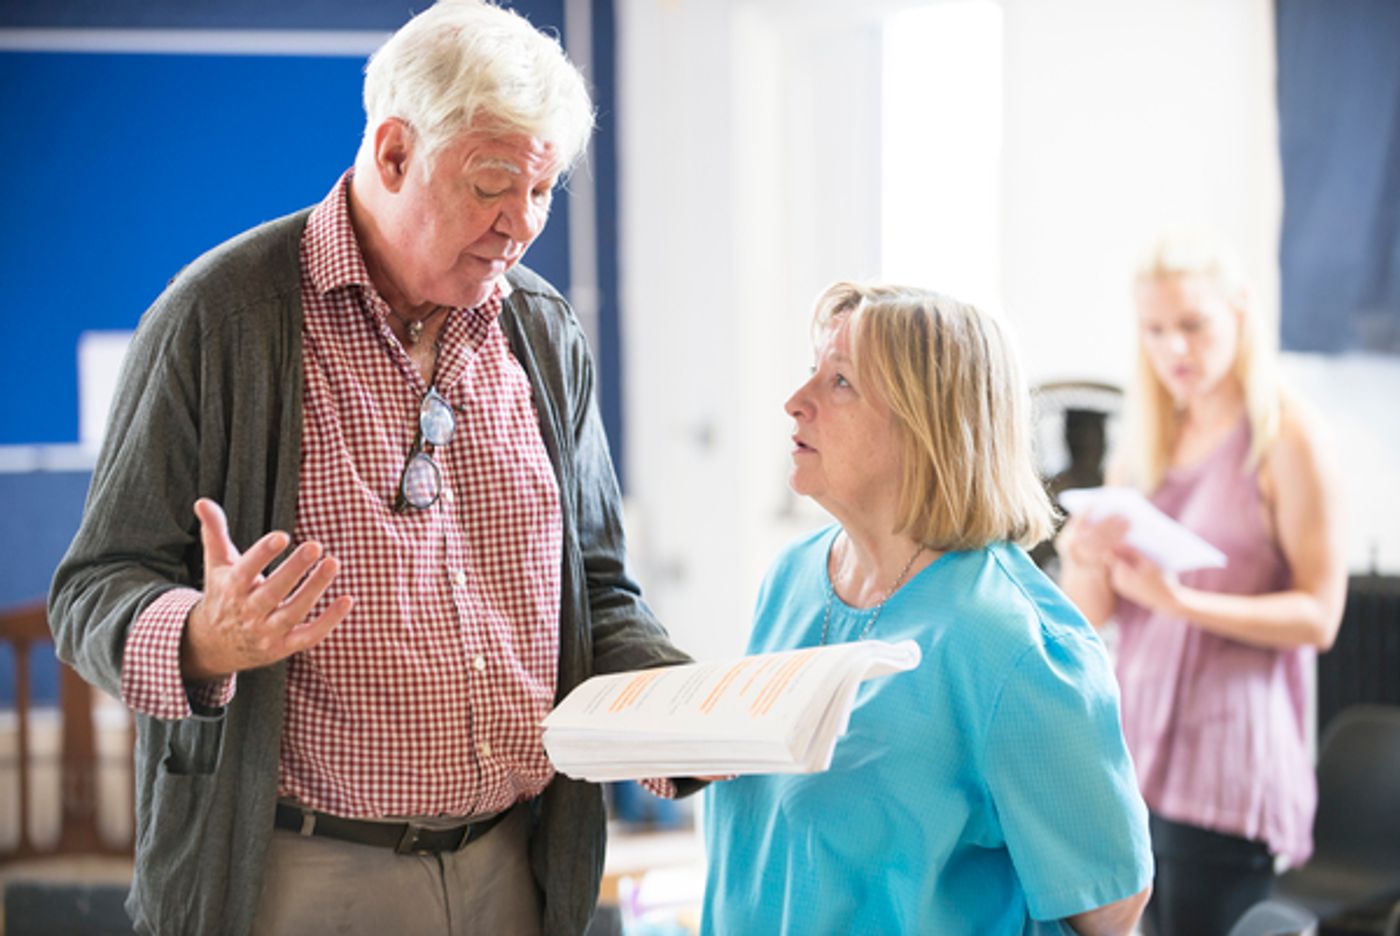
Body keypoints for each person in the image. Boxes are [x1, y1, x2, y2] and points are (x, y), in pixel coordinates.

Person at [47, 3, 698, 934]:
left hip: (520, 862)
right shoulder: (218, 322)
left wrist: (670, 704)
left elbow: (597, 588)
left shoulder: (544, 332)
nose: (522, 225)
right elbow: (91, 590)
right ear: (393, 154)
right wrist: (202, 636)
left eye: (544, 191)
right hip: (300, 875)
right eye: (492, 185)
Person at [702, 282, 1153, 935]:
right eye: (811, 373)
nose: (796, 404)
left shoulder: (1010, 641)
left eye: (840, 383)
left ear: (927, 423)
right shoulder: (793, 579)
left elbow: (1109, 910)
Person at [1057, 230, 1347, 936]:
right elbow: (1090, 617)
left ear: (1240, 314)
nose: (1174, 350)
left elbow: (1320, 616)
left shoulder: (1287, 440)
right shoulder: (1143, 448)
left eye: (1192, 324)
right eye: (1155, 330)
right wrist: (1083, 557)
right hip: (1135, 753)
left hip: (1229, 764)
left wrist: (1182, 603)